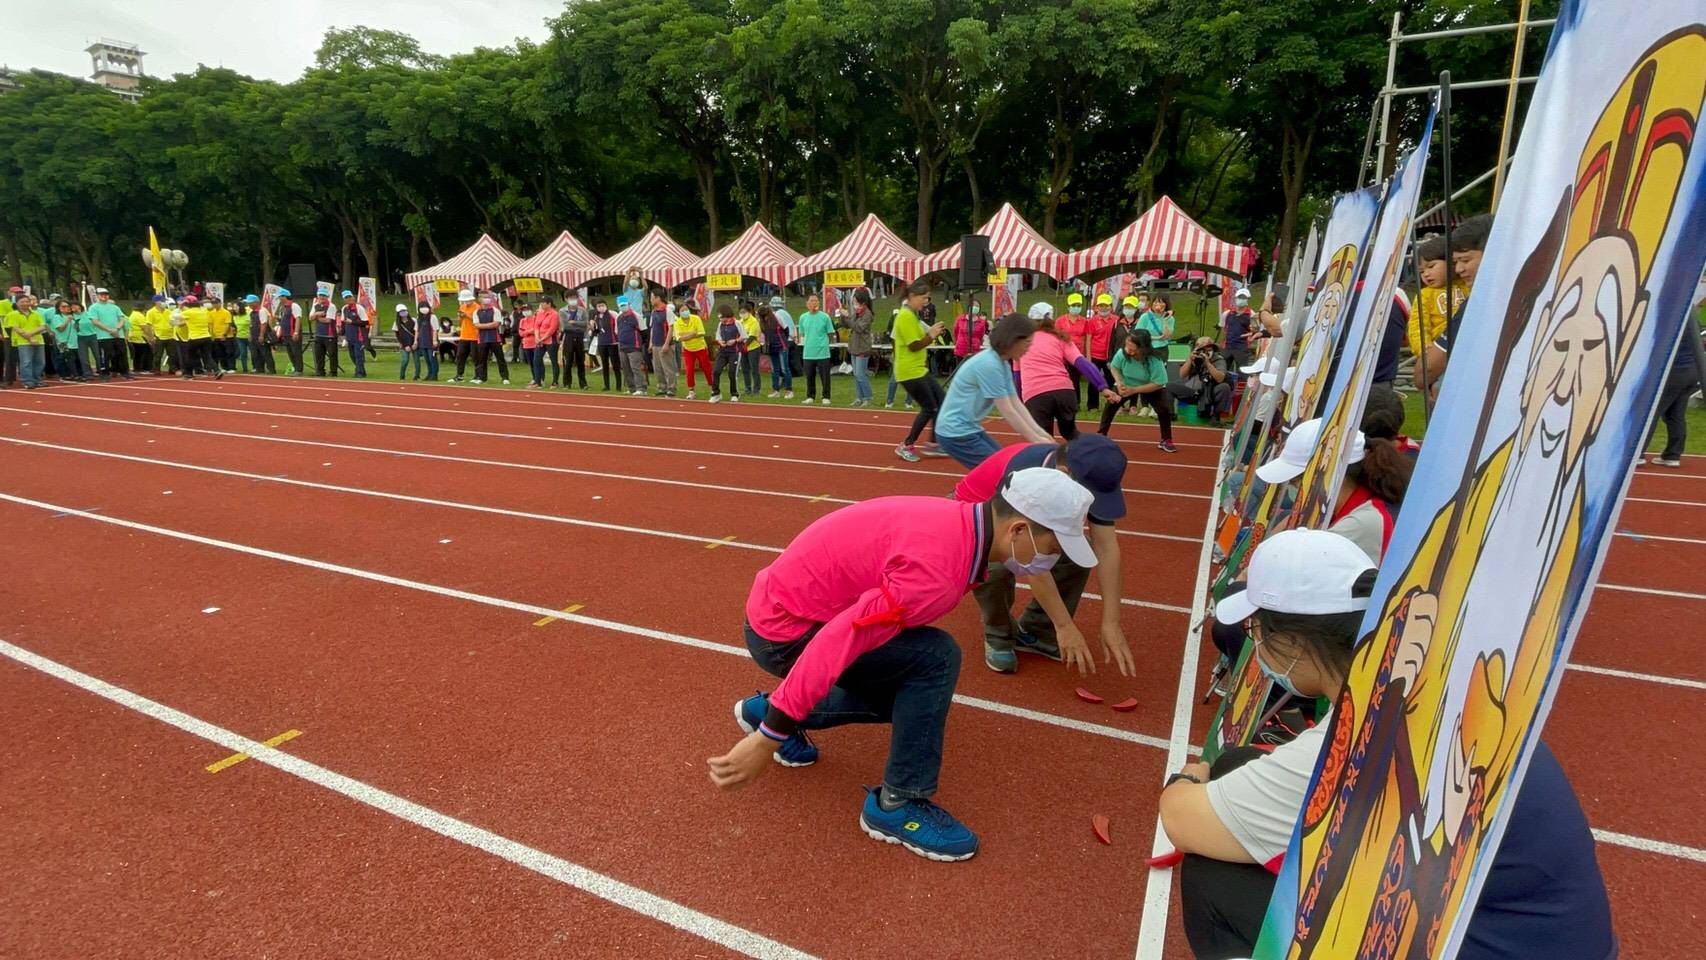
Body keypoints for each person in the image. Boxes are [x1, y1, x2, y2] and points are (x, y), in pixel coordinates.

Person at [1166, 529, 1616, 960]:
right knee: (1240, 764)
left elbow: (1181, 819)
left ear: (1295, 641)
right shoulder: (1434, 682)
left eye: (1258, 630)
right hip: (1526, 935)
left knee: (1213, 879)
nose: (1255, 643)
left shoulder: (1364, 732)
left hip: (1474, 944)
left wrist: (1190, 773)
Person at [710, 467, 1101, 862]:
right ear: (1018, 531)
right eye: (1054, 546)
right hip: (785, 632)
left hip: (787, 608)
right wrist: (768, 738)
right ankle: (898, 803)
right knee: (935, 661)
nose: (1054, 558)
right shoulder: (937, 571)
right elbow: (840, 638)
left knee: (916, 682)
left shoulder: (963, 523)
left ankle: (770, 709)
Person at [955, 436, 1137, 676]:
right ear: (1064, 473)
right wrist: (1065, 625)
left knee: (1077, 553)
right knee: (995, 566)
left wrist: (1111, 621)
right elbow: (1033, 563)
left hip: (1021, 525)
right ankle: (998, 632)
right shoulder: (1028, 472)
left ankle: (1039, 631)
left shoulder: (1093, 473)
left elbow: (1106, 547)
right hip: (977, 520)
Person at [935, 314, 1054, 468]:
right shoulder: (989, 364)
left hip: (968, 429)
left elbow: (1015, 403)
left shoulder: (1001, 364)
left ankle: (969, 490)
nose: (1028, 349)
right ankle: (964, 492)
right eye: (1027, 343)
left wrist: (1041, 434)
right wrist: (1036, 440)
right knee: (1001, 470)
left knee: (1003, 466)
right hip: (955, 433)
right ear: (1013, 340)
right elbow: (1008, 410)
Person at [1419, 213, 1491, 398]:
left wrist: (1424, 368)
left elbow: (1427, 370)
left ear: (1493, 253)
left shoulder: (1479, 303)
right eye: (1455, 262)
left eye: (1466, 260)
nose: (1459, 269)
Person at [1019, 307, 1112, 442]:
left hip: (1036, 394)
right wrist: (1102, 386)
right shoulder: (1061, 338)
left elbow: (1017, 376)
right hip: (1064, 392)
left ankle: (1048, 461)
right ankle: (1091, 451)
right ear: (1052, 321)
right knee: (1070, 433)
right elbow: (1082, 363)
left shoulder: (1021, 342)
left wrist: (1020, 403)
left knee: (1042, 438)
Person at [892, 282, 950, 461]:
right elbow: (914, 345)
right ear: (912, 297)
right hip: (908, 371)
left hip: (919, 369)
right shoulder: (905, 317)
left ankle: (934, 443)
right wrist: (931, 334)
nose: (925, 302)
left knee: (942, 400)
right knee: (929, 407)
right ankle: (906, 445)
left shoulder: (912, 315)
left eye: (927, 298)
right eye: (923, 298)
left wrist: (931, 332)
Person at [1099, 330, 1176, 452]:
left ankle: (1166, 439)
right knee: (1111, 405)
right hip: (1127, 382)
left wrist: (1134, 390)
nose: (1128, 350)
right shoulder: (1122, 353)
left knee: (1164, 409)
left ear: (1143, 348)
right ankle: (1101, 435)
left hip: (1150, 385)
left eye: (1132, 348)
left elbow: (1159, 383)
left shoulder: (1154, 360)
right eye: (1126, 346)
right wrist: (1119, 383)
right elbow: (1114, 367)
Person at [1638, 321, 1700, 469]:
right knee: (1675, 415)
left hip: (1674, 372)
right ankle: (1673, 455)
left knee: (1650, 413)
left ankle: (1637, 454)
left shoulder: (1673, 320)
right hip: (1691, 371)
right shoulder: (1692, 322)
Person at [1409, 234, 1466, 389]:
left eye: (1431, 266)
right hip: (1440, 354)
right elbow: (1417, 324)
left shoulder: (1466, 285)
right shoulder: (1425, 295)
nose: (1426, 274)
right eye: (1421, 271)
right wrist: (1423, 346)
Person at [1170, 336, 1233, 424]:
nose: (1206, 351)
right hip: (1194, 391)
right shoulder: (1195, 357)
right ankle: (1170, 415)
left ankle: (1216, 416)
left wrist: (1207, 363)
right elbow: (1182, 374)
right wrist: (1189, 359)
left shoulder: (1219, 360)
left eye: (1208, 349)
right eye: (1202, 349)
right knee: (1169, 386)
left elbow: (1220, 378)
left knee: (1224, 387)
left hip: (1210, 392)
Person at [1082, 292, 1120, 412]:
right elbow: (1088, 339)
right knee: (1094, 381)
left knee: (1111, 381)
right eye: (1101, 305)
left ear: (1111, 307)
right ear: (1097, 307)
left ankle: (1112, 404)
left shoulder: (1116, 320)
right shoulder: (1092, 321)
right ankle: (1092, 406)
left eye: (1106, 305)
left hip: (1110, 356)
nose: (1104, 308)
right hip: (1095, 355)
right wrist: (1088, 358)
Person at [797, 294, 836, 404]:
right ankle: (810, 396)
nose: (814, 303)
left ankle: (826, 396)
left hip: (823, 352)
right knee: (809, 376)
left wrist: (824, 343)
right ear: (807, 303)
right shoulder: (803, 317)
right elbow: (802, 334)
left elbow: (830, 333)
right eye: (811, 301)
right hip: (808, 352)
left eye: (816, 301)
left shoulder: (825, 317)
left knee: (825, 377)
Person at [174, 294, 221, 380]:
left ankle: (188, 374)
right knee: (207, 356)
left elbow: (177, 318)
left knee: (190, 356)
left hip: (194, 337)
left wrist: (180, 308)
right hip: (206, 336)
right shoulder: (203, 311)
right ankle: (217, 370)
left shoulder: (188, 312)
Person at [88, 287, 131, 380]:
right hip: (103, 336)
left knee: (122, 354)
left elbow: (122, 319)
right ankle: (104, 373)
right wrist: (109, 330)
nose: (104, 296)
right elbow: (95, 321)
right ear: (97, 296)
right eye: (102, 294)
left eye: (106, 294)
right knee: (105, 356)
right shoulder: (93, 307)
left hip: (118, 335)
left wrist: (117, 328)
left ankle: (125, 372)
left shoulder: (115, 307)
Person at [674, 300, 712, 400]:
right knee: (689, 370)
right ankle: (691, 391)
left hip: (700, 347)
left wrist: (686, 335)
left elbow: (701, 333)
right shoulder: (677, 323)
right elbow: (679, 338)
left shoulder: (696, 318)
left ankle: (713, 388)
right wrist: (692, 334)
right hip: (688, 349)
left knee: (706, 368)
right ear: (679, 313)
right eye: (683, 310)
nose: (685, 311)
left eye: (686, 309)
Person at [470, 292, 511, 385]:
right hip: (482, 338)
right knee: (482, 359)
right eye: (484, 297)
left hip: (494, 338)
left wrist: (483, 325)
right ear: (479, 299)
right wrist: (489, 325)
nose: (486, 299)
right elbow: (476, 325)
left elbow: (496, 324)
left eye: (488, 297)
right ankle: (482, 377)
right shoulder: (476, 312)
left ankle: (505, 377)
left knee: (500, 358)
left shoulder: (495, 310)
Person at [8, 294, 46, 388]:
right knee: (26, 362)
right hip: (23, 342)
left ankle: (38, 380)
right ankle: (28, 381)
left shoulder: (36, 314)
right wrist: (29, 338)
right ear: (16, 303)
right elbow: (17, 328)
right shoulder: (13, 314)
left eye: (27, 301)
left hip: (38, 341)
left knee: (40, 361)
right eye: (22, 302)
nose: (25, 304)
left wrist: (31, 334)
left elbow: (42, 326)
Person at [709, 303, 743, 403]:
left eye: (721, 316)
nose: (720, 319)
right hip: (723, 352)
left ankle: (734, 394)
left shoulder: (737, 323)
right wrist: (720, 342)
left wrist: (735, 340)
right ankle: (716, 393)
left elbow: (744, 336)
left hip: (734, 352)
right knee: (716, 371)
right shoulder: (721, 324)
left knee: (732, 373)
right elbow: (718, 337)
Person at [614, 295, 647, 395]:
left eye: (624, 305)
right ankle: (631, 388)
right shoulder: (618, 317)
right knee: (626, 368)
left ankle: (641, 388)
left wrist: (639, 344)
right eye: (621, 305)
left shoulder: (636, 316)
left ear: (628, 304)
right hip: (622, 347)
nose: (623, 307)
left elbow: (644, 331)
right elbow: (617, 331)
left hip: (634, 347)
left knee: (636, 368)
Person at [848, 288, 876, 406]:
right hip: (854, 347)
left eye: (856, 303)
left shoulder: (867, 314)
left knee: (861, 374)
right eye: (854, 302)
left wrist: (848, 319)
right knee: (856, 375)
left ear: (863, 303)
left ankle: (868, 397)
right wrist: (844, 316)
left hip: (862, 348)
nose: (855, 305)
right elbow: (850, 324)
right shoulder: (857, 313)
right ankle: (859, 397)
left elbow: (858, 328)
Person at [646, 291, 677, 397]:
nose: (651, 300)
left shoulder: (667, 311)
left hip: (665, 343)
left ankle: (671, 388)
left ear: (658, 298)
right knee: (657, 368)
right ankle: (661, 387)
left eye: (652, 297)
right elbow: (652, 328)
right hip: (655, 343)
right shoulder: (654, 312)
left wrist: (666, 344)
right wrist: (651, 343)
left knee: (667, 367)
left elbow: (671, 328)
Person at [47, 299, 86, 382]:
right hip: (63, 342)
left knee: (77, 358)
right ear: (59, 308)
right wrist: (67, 320)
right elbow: (60, 329)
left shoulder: (73, 316)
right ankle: (69, 374)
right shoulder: (57, 317)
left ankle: (79, 374)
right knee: (67, 358)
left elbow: (77, 329)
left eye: (68, 306)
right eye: (63, 306)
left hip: (74, 341)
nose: (66, 308)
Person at [559, 293, 591, 389]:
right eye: (570, 298)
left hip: (580, 336)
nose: (573, 300)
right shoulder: (562, 311)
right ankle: (567, 383)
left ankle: (583, 384)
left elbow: (585, 324)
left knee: (581, 361)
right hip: (568, 336)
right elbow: (565, 325)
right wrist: (579, 325)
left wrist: (574, 322)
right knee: (568, 361)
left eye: (575, 298)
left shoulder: (582, 310)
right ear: (566, 299)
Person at [592, 297, 623, 391]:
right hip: (602, 343)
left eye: (602, 305)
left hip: (612, 342)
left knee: (615, 365)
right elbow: (596, 329)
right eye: (598, 306)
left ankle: (618, 386)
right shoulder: (596, 316)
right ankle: (606, 385)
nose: (601, 307)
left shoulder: (612, 314)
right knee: (604, 365)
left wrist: (618, 335)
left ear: (606, 305)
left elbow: (618, 325)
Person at [951, 294, 989, 373]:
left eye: (977, 306)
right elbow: (955, 332)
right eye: (973, 305)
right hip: (961, 350)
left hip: (974, 351)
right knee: (960, 372)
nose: (975, 307)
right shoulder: (960, 319)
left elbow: (981, 335)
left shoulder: (982, 322)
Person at [1221, 287, 1256, 371]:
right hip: (1227, 347)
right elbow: (1224, 330)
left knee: (1242, 373)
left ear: (1247, 299)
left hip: (1242, 348)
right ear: (1236, 298)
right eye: (1240, 297)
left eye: (1244, 298)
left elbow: (1254, 331)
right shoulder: (1227, 313)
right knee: (1223, 371)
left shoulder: (1252, 314)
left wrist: (1248, 339)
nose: (1241, 299)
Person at [337, 290, 369, 378]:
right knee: (352, 355)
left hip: (358, 336)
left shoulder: (359, 308)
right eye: (346, 298)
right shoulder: (344, 308)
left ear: (353, 297)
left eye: (349, 297)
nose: (348, 299)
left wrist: (353, 322)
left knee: (358, 355)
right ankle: (361, 370)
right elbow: (343, 323)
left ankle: (360, 372)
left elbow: (365, 322)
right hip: (349, 336)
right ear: (344, 299)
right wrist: (342, 334)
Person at [771, 295, 801, 383]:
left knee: (782, 364)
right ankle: (786, 381)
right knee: (787, 363)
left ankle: (784, 382)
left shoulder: (777, 314)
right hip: (792, 340)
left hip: (784, 340)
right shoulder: (786, 313)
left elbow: (782, 328)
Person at [451, 289, 479, 383]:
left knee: (475, 356)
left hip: (474, 335)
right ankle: (459, 375)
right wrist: (460, 316)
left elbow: (476, 320)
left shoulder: (477, 307)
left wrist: (466, 315)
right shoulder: (462, 306)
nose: (465, 302)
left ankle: (477, 376)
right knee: (460, 356)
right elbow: (460, 320)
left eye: (467, 300)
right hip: (464, 335)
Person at [146, 294, 179, 374]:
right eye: (162, 301)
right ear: (156, 302)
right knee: (158, 355)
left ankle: (172, 369)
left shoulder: (168, 311)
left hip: (171, 336)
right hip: (159, 336)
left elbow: (172, 322)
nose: (164, 302)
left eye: (164, 301)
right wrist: (151, 337)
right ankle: (156, 369)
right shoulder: (151, 312)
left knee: (172, 354)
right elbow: (148, 325)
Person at [244, 295, 276, 375]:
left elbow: (263, 323)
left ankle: (271, 369)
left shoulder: (262, 311)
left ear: (255, 302)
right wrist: (250, 334)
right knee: (256, 353)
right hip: (254, 334)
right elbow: (251, 324)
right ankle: (259, 368)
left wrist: (261, 335)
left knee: (265, 353)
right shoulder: (252, 312)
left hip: (261, 334)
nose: (249, 305)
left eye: (250, 303)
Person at [310, 296, 340, 377]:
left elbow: (328, 320)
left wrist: (317, 317)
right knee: (319, 354)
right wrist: (317, 314)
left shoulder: (331, 306)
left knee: (332, 354)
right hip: (319, 334)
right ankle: (320, 371)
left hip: (330, 334)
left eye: (324, 296)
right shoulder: (315, 305)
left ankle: (333, 372)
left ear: (327, 297)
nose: (322, 297)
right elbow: (310, 317)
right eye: (320, 295)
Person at [739, 300, 764, 396]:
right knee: (745, 369)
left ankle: (756, 389)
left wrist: (745, 345)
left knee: (754, 369)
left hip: (753, 348)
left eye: (744, 312)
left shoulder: (754, 321)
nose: (742, 314)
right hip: (743, 348)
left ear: (749, 312)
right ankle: (747, 388)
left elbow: (752, 336)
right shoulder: (740, 321)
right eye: (741, 312)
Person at [395, 304, 424, 381]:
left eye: (404, 311)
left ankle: (417, 376)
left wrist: (415, 342)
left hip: (414, 343)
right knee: (405, 360)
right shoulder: (397, 323)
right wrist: (405, 345)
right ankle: (402, 376)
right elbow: (398, 336)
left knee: (417, 361)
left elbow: (417, 332)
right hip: (405, 345)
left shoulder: (413, 320)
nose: (403, 313)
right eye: (401, 311)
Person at [414, 302, 441, 381]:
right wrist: (415, 340)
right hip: (423, 341)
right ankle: (429, 374)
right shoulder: (419, 318)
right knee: (427, 359)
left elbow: (435, 329)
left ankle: (434, 375)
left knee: (432, 358)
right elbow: (417, 330)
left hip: (431, 341)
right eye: (422, 307)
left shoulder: (432, 317)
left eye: (425, 306)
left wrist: (434, 340)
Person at [126, 300, 152, 375]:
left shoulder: (133, 314)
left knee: (137, 354)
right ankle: (143, 369)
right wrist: (151, 338)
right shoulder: (139, 316)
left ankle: (137, 368)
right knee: (144, 353)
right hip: (140, 337)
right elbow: (145, 328)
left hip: (133, 336)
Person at [230, 295, 252, 373]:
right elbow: (233, 326)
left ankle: (255, 367)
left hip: (249, 336)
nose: (234, 308)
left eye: (236, 307)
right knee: (243, 353)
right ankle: (245, 369)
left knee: (253, 353)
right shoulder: (234, 316)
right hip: (240, 337)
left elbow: (251, 325)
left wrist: (250, 333)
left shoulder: (248, 314)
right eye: (233, 307)